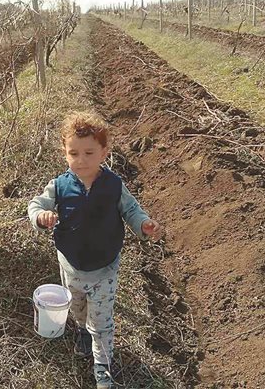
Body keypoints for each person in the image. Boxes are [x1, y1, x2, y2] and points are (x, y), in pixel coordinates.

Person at [28, 112, 163, 389]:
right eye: (73, 153)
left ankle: (102, 366)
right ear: (64, 153)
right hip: (71, 265)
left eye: (89, 152)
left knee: (101, 321)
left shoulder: (113, 186)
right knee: (77, 308)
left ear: (104, 152)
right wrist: (41, 217)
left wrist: (144, 225)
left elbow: (132, 210)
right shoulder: (59, 186)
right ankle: (81, 331)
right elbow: (36, 205)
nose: (81, 160)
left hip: (104, 268)